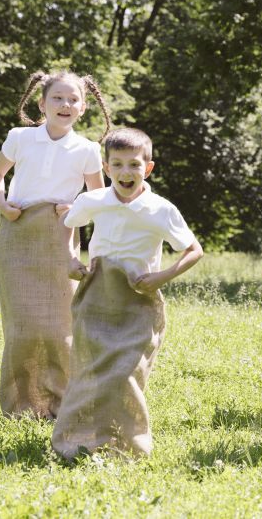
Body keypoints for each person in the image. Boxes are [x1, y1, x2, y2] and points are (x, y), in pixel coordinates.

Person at [52, 127, 203, 459]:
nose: (125, 172)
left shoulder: (160, 209)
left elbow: (193, 250)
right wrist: (70, 259)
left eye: (134, 165)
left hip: (138, 298)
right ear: (106, 169)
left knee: (125, 373)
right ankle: (77, 441)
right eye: (117, 164)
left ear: (147, 168)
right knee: (90, 369)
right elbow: (68, 224)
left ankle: (127, 445)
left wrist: (161, 277)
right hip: (97, 294)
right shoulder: (93, 201)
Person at [0, 70, 111, 419]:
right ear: (42, 103)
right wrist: (1, 203)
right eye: (58, 98)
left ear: (83, 108)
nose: (65, 104)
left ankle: (60, 402)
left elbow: (98, 198)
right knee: (23, 327)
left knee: (58, 329)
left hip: (61, 237)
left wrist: (77, 209)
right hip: (19, 234)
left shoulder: (87, 149)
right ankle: (20, 405)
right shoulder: (20, 138)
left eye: (73, 99)